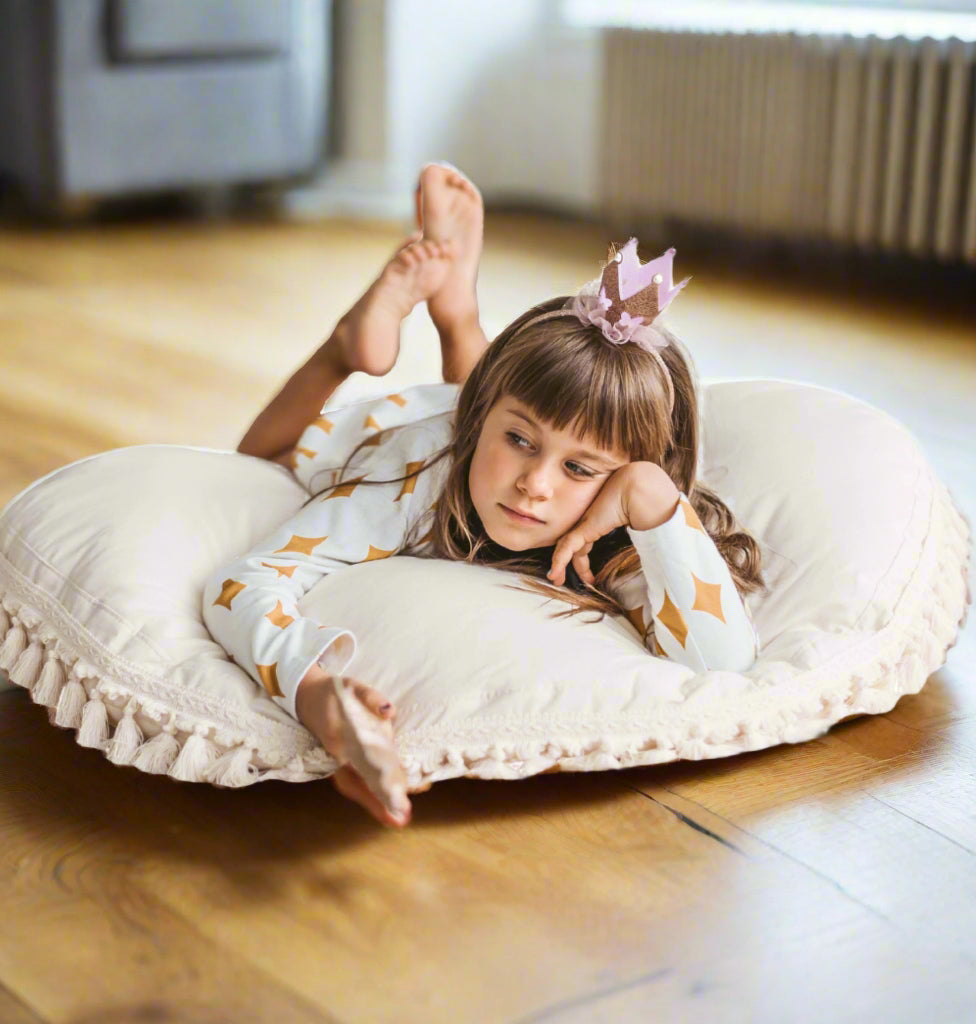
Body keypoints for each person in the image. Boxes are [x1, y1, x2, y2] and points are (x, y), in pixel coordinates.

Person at [202, 163, 766, 829]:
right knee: (262, 461)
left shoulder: (631, 517)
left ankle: (457, 312)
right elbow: (243, 583)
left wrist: (652, 497)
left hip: (492, 412)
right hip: (410, 426)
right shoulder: (412, 477)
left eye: (583, 470)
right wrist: (319, 694)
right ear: (479, 422)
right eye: (521, 445)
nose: (538, 485)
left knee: (526, 413)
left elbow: (724, 668)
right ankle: (352, 345)